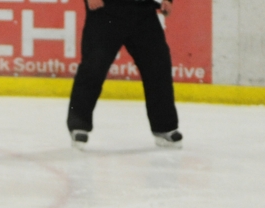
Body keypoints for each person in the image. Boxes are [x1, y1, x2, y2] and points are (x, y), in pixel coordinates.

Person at [66, 0, 182, 150]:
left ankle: (164, 127)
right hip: (106, 11)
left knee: (158, 66)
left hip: (143, 10)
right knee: (93, 67)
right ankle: (78, 124)